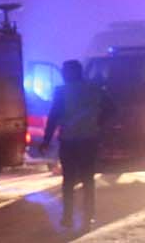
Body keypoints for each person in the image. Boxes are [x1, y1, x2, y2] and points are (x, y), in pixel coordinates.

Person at [41, 59, 114, 230]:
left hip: (69, 141)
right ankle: (89, 216)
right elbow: (112, 109)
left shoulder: (62, 92)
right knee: (88, 179)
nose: (63, 75)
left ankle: (67, 217)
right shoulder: (94, 90)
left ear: (68, 74)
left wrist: (46, 140)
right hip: (89, 139)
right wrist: (99, 124)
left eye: (64, 72)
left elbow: (53, 117)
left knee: (68, 180)